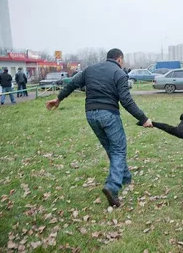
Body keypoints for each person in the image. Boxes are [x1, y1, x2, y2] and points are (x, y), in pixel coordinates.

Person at [46, 48, 153, 208]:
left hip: (90, 114)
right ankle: (112, 186)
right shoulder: (119, 73)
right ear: (119, 59)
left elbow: (73, 83)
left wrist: (59, 98)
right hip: (109, 114)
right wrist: (144, 119)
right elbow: (126, 100)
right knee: (118, 149)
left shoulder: (90, 69)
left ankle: (125, 177)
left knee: (112, 148)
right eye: (122, 61)